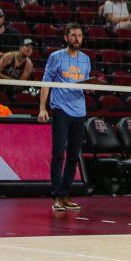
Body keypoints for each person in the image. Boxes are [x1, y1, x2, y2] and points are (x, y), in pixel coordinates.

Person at [38, 23, 94, 213]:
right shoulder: (56, 57)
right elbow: (46, 82)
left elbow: (85, 83)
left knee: (73, 155)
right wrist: (42, 107)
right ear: (66, 37)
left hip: (80, 111)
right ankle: (56, 196)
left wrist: (90, 87)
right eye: (73, 35)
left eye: (79, 35)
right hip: (60, 108)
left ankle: (65, 194)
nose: (77, 38)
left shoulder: (86, 59)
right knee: (58, 153)